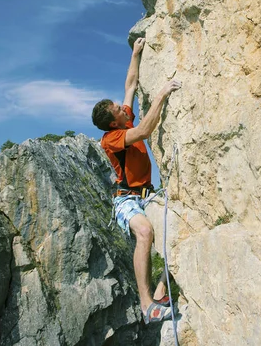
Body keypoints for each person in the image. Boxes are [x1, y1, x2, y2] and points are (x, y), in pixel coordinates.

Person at [91, 37, 181, 324]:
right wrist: (161, 96)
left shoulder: (121, 120)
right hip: (126, 199)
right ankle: (147, 306)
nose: (123, 107)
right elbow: (143, 131)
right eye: (118, 110)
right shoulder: (113, 138)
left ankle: (161, 290)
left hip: (147, 192)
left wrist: (135, 53)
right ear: (114, 123)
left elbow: (130, 85)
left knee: (174, 229)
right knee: (144, 233)